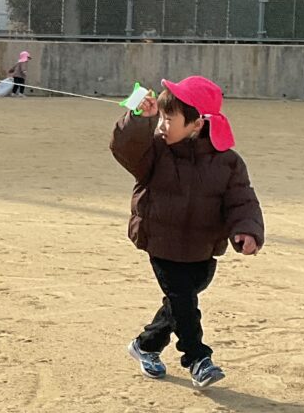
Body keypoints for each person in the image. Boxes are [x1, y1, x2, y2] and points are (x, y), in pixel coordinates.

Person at [110, 75, 264, 388]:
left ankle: (146, 345)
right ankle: (197, 358)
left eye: (170, 118)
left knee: (184, 296)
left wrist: (246, 230)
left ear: (197, 124)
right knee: (183, 300)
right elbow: (124, 147)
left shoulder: (228, 163)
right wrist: (139, 117)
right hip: (161, 240)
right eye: (162, 117)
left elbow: (241, 199)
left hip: (202, 246)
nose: (163, 125)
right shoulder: (155, 152)